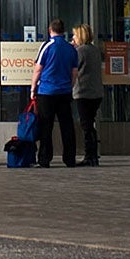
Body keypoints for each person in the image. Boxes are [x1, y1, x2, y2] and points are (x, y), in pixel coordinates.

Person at [32, 20, 79, 168]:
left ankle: (45, 159)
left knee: (46, 125)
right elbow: (74, 72)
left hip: (46, 91)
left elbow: (38, 69)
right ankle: (70, 158)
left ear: (49, 30)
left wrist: (33, 88)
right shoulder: (71, 49)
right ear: (63, 31)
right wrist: (69, 86)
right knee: (67, 125)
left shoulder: (47, 46)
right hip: (64, 91)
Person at [71, 23, 104, 167]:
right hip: (96, 92)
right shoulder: (94, 50)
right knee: (90, 123)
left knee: (86, 125)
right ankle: (93, 154)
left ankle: (89, 155)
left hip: (84, 92)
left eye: (74, 35)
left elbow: (73, 68)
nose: (73, 38)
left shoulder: (81, 51)